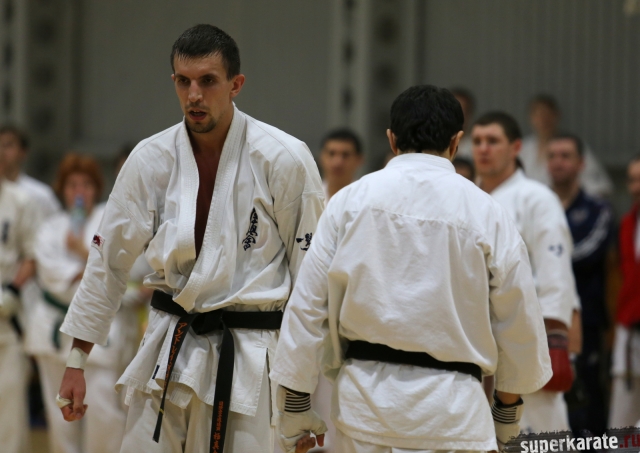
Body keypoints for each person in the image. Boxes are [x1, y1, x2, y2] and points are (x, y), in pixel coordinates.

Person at [57, 24, 323, 453]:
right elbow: (108, 263)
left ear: (236, 84)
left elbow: (310, 281)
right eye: (183, 81)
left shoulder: (283, 158)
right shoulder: (151, 159)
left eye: (207, 81)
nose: (194, 95)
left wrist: (299, 393)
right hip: (169, 346)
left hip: (251, 357)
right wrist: (76, 360)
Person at [270, 85, 552, 453]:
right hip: (456, 414)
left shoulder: (349, 202)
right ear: (457, 142)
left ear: (391, 139)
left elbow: (309, 303)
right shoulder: (488, 213)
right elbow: (517, 320)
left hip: (364, 410)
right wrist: (506, 416)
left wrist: (295, 405)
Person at [472, 111, 579, 433]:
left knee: (539, 432)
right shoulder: (467, 197)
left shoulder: (537, 198)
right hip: (475, 338)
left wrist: (556, 340)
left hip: (526, 338)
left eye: (493, 141)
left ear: (516, 147)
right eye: (477, 141)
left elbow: (555, 274)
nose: (483, 149)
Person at [27, 154, 133, 453]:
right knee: (59, 415)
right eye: (72, 185)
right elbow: (51, 274)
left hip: (100, 331)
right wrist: (88, 267)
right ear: (63, 190)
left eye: (86, 184)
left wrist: (80, 252)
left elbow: (115, 270)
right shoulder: (50, 227)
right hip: (53, 328)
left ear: (96, 189)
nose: (79, 191)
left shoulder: (109, 220)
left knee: (104, 412)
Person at [547, 133, 613, 433]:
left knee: (588, 391)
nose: (558, 162)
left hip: (587, 319)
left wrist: (547, 259)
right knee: (550, 391)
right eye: (552, 156)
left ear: (581, 163)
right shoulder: (538, 205)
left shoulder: (598, 209)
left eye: (565, 156)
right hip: (547, 317)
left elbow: (591, 251)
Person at [0, 135, 40, 453]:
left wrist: (12, 289)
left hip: (7, 312)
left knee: (10, 400)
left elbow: (32, 255)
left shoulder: (21, 201)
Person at [519, 94, 612, 198]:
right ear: (530, 118)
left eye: (547, 115)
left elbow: (600, 187)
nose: (543, 120)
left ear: (557, 116)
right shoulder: (523, 149)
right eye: (538, 116)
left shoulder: (573, 146)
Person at [609, 154, 640, 428]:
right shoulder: (628, 224)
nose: (636, 187)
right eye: (632, 180)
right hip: (630, 330)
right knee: (623, 425)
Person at [0, 125, 61, 217]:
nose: (1, 152)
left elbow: (58, 223)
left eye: (8, 145)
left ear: (23, 152)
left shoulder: (40, 195)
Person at [319, 128, 363, 203]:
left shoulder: (367, 200)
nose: (337, 163)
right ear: (321, 157)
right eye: (331, 154)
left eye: (345, 155)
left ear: (359, 160)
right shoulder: (307, 199)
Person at [450, 87, 476, 159]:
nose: (455, 116)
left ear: (469, 114)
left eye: (461, 112)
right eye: (451, 111)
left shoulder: (476, 146)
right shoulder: (432, 145)